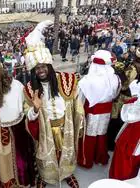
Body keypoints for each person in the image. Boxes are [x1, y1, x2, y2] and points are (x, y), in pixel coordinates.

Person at [23, 20, 85, 188]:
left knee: (67, 152)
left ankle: (67, 173)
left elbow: (76, 101)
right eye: (37, 68)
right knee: (46, 155)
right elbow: (27, 115)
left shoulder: (67, 80)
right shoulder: (29, 89)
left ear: (49, 66)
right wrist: (35, 109)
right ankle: (45, 177)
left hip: (66, 125)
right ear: (33, 71)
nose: (40, 70)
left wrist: (79, 123)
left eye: (43, 67)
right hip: (46, 128)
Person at [0, 49, 36, 187]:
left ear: (2, 71)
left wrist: (34, 110)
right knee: (2, 163)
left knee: (21, 162)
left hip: (17, 130)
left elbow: (26, 107)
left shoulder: (16, 86)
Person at [78, 50, 121, 169]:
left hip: (92, 111)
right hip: (106, 110)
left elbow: (80, 99)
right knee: (101, 133)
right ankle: (100, 156)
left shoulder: (87, 80)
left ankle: (87, 159)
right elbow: (115, 94)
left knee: (90, 134)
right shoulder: (116, 78)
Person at [109, 79, 140, 180]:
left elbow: (127, 117)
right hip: (133, 132)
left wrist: (134, 101)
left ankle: (119, 180)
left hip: (133, 133)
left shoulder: (135, 102)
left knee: (125, 156)